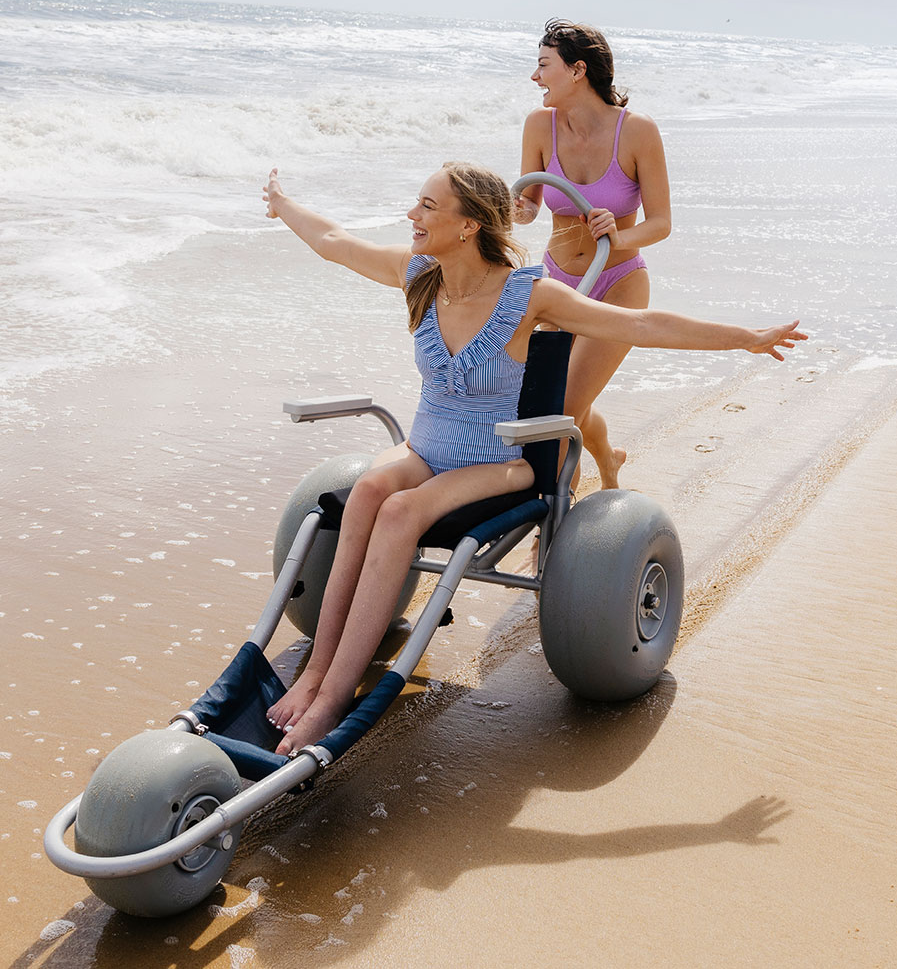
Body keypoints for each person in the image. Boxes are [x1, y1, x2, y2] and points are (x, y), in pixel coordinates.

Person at [260, 161, 803, 752]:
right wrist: (281, 204)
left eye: (427, 206)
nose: (411, 215)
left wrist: (747, 338)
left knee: (397, 512)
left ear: (469, 225)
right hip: (425, 450)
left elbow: (640, 324)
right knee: (367, 490)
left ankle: (333, 698)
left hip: (497, 463)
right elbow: (335, 242)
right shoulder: (419, 275)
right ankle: (316, 674)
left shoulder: (528, 295)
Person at [513, 20, 669, 490]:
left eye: (544, 65)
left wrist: (617, 237)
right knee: (549, 402)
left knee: (561, 411)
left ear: (577, 70)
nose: (535, 76)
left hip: (618, 283)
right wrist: (516, 208)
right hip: (556, 282)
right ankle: (608, 458)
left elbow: (661, 223)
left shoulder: (637, 132)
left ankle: (557, 521)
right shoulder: (539, 125)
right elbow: (529, 206)